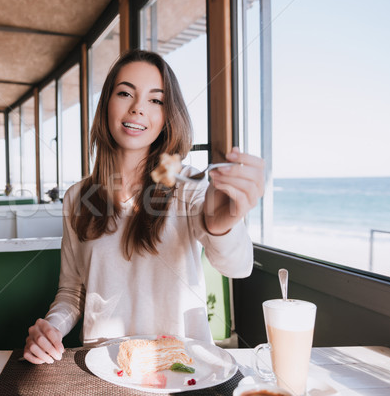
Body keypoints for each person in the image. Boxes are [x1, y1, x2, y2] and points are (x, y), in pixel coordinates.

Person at [23, 49, 265, 364]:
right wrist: (52, 328)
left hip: (182, 369)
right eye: (125, 93)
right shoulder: (76, 197)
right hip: (106, 367)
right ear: (107, 104)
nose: (138, 108)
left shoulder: (189, 186)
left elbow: (238, 267)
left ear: (167, 116)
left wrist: (224, 221)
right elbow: (72, 292)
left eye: (155, 100)